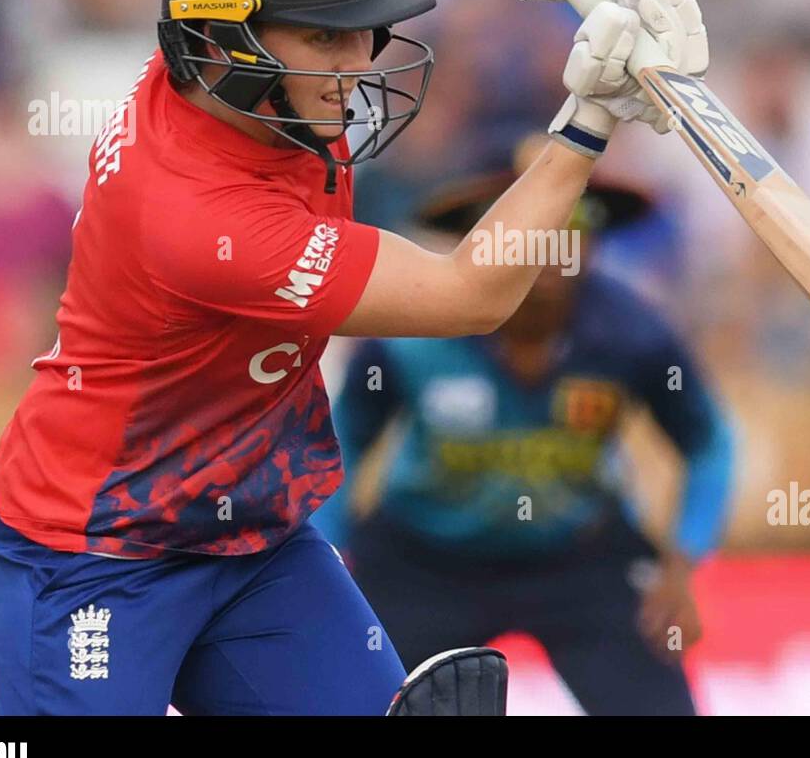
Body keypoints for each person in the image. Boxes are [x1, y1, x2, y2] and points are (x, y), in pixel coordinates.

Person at [0, 0, 709, 715]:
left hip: (253, 542)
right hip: (88, 554)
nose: (356, 65)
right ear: (224, 43)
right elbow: (472, 295)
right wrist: (588, 122)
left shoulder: (237, 66)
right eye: (328, 39)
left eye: (364, 33)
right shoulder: (201, 221)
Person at [314, 159, 737, 715]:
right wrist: (330, 558)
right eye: (528, 227)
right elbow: (339, 436)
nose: (549, 247)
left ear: (594, 241)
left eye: (571, 225)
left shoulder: (636, 336)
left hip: (581, 559)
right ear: (482, 238)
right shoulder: (410, 332)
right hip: (423, 562)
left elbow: (708, 444)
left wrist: (682, 566)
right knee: (350, 704)